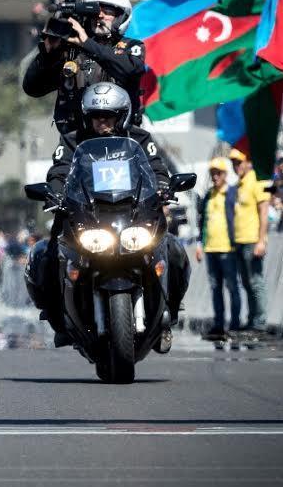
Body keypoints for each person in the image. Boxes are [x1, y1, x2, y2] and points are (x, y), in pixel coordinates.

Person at [27, 82, 189, 347]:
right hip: (86, 215)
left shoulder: (140, 138)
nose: (102, 121)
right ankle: (59, 318)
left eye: (108, 115)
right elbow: (59, 171)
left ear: (122, 115)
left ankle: (168, 315)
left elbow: (157, 168)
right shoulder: (72, 140)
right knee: (47, 256)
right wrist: (54, 193)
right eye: (96, 116)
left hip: (133, 214)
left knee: (173, 250)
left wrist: (163, 187)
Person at [22, 0, 145, 133]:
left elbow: (130, 71)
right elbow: (33, 88)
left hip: (121, 139)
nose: (100, 15)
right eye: (96, 11)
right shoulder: (71, 50)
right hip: (76, 141)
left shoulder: (131, 47)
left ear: (121, 17)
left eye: (107, 11)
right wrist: (49, 54)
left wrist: (87, 43)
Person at [194, 158, 242, 339]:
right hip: (211, 249)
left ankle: (235, 324)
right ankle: (219, 324)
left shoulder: (232, 193)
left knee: (233, 287)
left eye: (218, 173)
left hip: (228, 249)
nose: (215, 177)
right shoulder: (209, 195)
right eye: (213, 173)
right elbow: (202, 222)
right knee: (216, 289)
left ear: (225, 175)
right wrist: (200, 244)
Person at [228, 148, 271, 335]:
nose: (236, 166)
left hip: (252, 241)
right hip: (239, 241)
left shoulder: (256, 181)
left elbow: (264, 212)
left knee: (255, 282)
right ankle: (252, 318)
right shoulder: (239, 185)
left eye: (239, 162)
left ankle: (260, 321)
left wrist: (261, 241)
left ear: (247, 162)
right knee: (246, 282)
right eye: (234, 163)